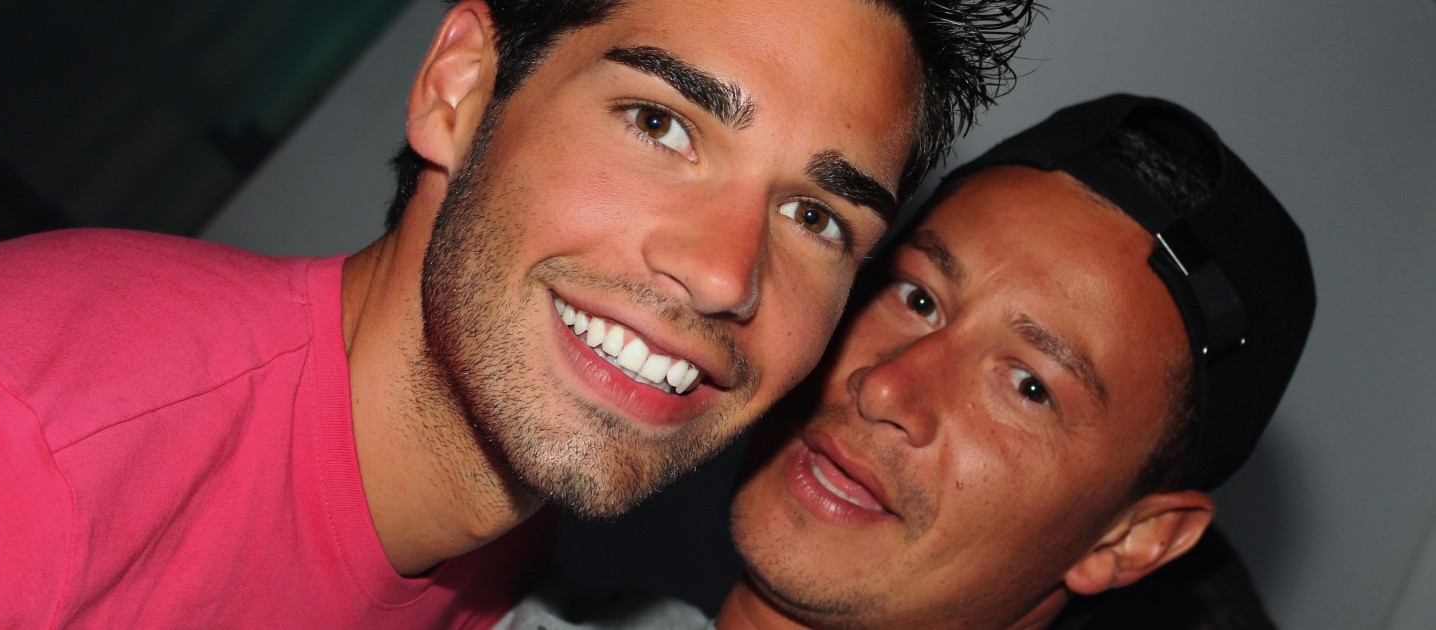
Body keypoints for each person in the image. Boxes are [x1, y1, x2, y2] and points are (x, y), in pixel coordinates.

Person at [0, 0, 1036, 627]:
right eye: (660, 125)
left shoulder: (507, 565)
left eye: (815, 217)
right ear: (459, 90)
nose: (723, 275)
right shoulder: (11, 445)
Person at [496, 94, 1315, 629]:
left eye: (1030, 386)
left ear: (1130, 541)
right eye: (917, 298)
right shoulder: (483, 589)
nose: (886, 387)